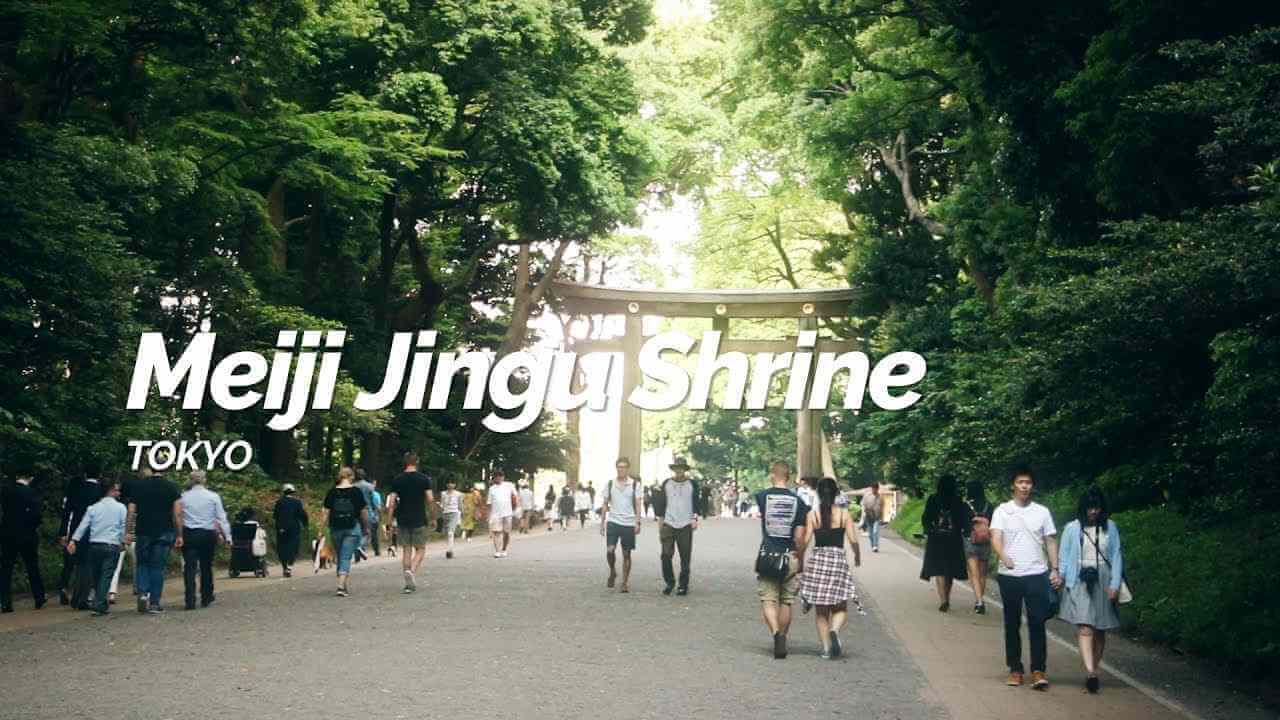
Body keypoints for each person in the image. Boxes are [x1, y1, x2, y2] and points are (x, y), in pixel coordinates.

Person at [991, 466, 1062, 690]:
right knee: (1011, 622)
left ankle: (1039, 670)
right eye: (1020, 482)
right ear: (1013, 485)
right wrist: (1004, 556)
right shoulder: (1002, 510)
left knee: (1037, 622)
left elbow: (1050, 540)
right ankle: (1015, 669)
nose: (1024, 486)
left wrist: (1055, 568)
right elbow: (995, 536)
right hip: (1009, 575)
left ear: (1032, 486)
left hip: (1036, 573)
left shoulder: (1042, 512)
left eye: (1028, 482)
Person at [1058, 486, 1125, 694]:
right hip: (1079, 579)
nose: (1092, 512)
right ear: (1083, 508)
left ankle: (1094, 668)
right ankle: (1090, 672)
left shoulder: (1110, 527)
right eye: (1089, 508)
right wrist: (1061, 577)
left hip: (1104, 579)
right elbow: (1064, 555)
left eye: (1096, 508)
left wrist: (1114, 584)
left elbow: (1116, 556)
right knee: (1085, 626)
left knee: (1100, 629)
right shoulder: (1072, 528)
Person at [798, 477, 861, 659]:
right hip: (837, 561)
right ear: (836, 494)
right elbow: (853, 539)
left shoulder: (813, 515)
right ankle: (834, 630)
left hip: (818, 560)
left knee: (821, 611)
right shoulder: (844, 514)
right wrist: (857, 556)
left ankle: (826, 649)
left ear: (818, 493)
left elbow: (805, 540)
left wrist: (800, 561)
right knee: (840, 606)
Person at [755, 460, 809, 659]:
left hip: (768, 554)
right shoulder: (799, 502)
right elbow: (800, 537)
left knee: (768, 599)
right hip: (790, 555)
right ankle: (783, 636)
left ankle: (776, 634)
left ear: (772, 474)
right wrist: (800, 558)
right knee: (786, 600)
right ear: (789, 476)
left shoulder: (762, 497)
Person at [125, 466, 181, 613]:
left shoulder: (139, 486)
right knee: (157, 567)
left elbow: (131, 511)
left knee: (142, 563)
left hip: (143, 531)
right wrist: (179, 534)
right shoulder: (172, 487)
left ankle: (143, 593)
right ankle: (155, 603)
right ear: (166, 469)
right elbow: (176, 515)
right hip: (164, 531)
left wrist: (128, 532)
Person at [67, 479, 127, 616]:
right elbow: (123, 526)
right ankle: (99, 604)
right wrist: (123, 541)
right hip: (112, 545)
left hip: (94, 546)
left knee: (97, 576)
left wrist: (74, 540)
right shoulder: (121, 508)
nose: (119, 492)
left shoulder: (93, 508)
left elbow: (83, 526)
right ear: (111, 491)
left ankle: (100, 602)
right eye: (117, 490)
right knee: (106, 576)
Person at [177, 470, 231, 610]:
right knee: (206, 566)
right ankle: (206, 595)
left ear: (191, 480)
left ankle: (190, 599)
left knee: (190, 567)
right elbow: (221, 518)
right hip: (207, 534)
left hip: (189, 534)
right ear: (204, 480)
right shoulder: (213, 497)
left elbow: (179, 517)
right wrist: (227, 537)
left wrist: (179, 534)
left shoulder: (183, 497)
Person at [650, 456, 704, 596]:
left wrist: (695, 518)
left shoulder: (692, 484)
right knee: (666, 555)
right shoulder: (666, 483)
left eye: (681, 468)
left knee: (685, 556)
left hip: (686, 523)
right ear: (673, 470)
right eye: (676, 468)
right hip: (669, 522)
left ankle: (683, 585)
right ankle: (670, 582)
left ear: (685, 470)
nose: (679, 471)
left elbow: (696, 503)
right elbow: (661, 504)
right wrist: (660, 524)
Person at [920, 475, 969, 612]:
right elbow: (963, 520)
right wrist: (964, 530)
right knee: (950, 570)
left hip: (936, 538)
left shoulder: (933, 499)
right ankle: (947, 596)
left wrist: (928, 529)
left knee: (939, 569)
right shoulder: (958, 500)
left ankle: (943, 600)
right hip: (953, 539)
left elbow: (926, 517)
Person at [386, 452, 434, 593]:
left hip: (402, 518)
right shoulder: (424, 479)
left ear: (405, 462)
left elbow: (392, 502)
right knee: (420, 548)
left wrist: (389, 521)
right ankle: (411, 571)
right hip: (419, 517)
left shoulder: (397, 480)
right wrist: (433, 517)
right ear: (417, 462)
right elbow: (430, 499)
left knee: (406, 549)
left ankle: (408, 583)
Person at [0, 473, 46, 612]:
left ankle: (5, 601)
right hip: (28, 534)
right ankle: (38, 596)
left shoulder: (6, 491)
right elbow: (37, 515)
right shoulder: (32, 493)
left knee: (6, 567)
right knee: (32, 566)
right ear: (30, 478)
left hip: (8, 533)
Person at [322, 466, 371, 597]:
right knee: (345, 557)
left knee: (340, 555)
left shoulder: (331, 492)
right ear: (351, 477)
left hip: (335, 528)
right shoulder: (356, 491)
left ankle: (342, 583)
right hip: (352, 527)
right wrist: (366, 527)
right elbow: (363, 511)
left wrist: (322, 528)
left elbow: (325, 512)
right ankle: (340, 586)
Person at [57, 470, 103, 607]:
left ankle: (64, 587)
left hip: (75, 530)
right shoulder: (100, 491)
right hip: (94, 531)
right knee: (89, 565)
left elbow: (67, 513)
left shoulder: (76, 490)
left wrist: (63, 533)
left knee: (71, 562)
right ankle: (87, 594)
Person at [600, 457, 643, 592]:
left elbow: (638, 503)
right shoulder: (610, 484)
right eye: (619, 467)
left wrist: (637, 522)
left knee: (626, 554)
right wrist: (602, 523)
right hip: (613, 521)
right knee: (610, 550)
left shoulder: (635, 484)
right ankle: (613, 571)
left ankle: (624, 582)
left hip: (628, 523)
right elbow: (605, 504)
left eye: (624, 467)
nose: (621, 469)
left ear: (627, 469)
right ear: (616, 468)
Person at [963, 479, 994, 614]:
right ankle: (981, 599)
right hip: (986, 542)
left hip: (970, 540)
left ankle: (979, 601)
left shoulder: (965, 505)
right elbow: (994, 525)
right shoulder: (990, 506)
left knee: (974, 574)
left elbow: (962, 524)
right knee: (982, 575)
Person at [273, 483, 309, 577]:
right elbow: (302, 515)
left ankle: (284, 566)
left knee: (282, 547)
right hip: (294, 528)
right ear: (293, 492)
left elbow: (275, 516)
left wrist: (279, 526)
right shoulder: (297, 502)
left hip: (281, 528)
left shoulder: (279, 502)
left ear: (283, 492)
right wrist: (305, 524)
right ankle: (289, 566)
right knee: (293, 547)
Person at [487, 471, 519, 558]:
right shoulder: (492, 489)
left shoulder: (509, 485)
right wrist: (489, 516)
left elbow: (515, 497)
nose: (498, 478)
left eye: (500, 476)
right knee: (496, 532)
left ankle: (504, 549)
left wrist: (515, 508)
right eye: (496, 477)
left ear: (503, 477)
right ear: (494, 478)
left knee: (506, 532)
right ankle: (497, 551)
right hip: (495, 514)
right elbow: (489, 503)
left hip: (508, 513)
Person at [354, 468, 381, 557]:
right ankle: (360, 546)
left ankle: (357, 554)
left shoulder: (352, 486)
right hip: (367, 511)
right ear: (364, 475)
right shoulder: (369, 486)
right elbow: (373, 500)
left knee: (357, 532)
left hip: (354, 513)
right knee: (367, 532)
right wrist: (376, 511)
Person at [439, 478, 463, 558]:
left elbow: (460, 505)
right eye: (448, 483)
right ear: (446, 484)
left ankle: (449, 551)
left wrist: (461, 515)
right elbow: (442, 505)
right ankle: (450, 547)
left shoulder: (458, 494)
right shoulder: (443, 494)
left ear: (455, 485)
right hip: (445, 513)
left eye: (452, 483)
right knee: (447, 533)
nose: (450, 485)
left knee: (450, 532)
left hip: (454, 513)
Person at [860, 482, 883, 553]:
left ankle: (875, 546)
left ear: (878, 489)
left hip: (877, 517)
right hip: (868, 517)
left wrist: (882, 517)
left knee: (875, 531)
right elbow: (862, 504)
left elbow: (882, 508)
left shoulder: (880, 497)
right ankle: (873, 545)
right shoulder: (867, 496)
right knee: (870, 534)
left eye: (876, 489)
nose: (874, 490)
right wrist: (863, 514)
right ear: (872, 488)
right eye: (873, 489)